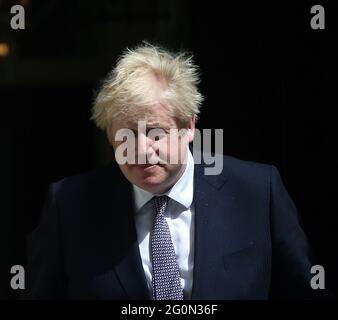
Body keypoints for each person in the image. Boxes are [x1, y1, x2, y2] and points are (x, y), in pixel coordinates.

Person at [23, 43, 329, 300]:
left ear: (189, 127)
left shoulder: (258, 192)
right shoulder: (70, 205)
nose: (141, 149)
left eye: (155, 132)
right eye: (125, 135)